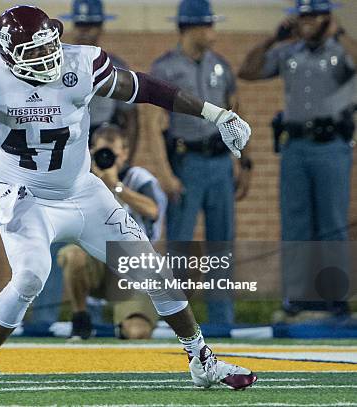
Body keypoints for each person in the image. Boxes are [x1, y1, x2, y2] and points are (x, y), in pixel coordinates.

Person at [0, 5, 255, 394]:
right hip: (27, 197)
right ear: (8, 55)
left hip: (83, 191)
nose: (47, 57)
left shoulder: (81, 62)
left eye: (49, 45)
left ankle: (201, 360)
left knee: (153, 270)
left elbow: (146, 88)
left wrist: (216, 113)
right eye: (34, 52)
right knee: (30, 275)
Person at [26, 0, 140, 334]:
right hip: (57, 158)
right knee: (46, 242)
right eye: (84, 25)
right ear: (74, 26)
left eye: (94, 25)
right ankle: (44, 321)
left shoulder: (110, 64)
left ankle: (107, 317)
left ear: (102, 26)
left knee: (105, 237)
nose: (88, 30)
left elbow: (131, 115)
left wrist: (123, 160)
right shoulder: (47, 61)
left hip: (97, 152)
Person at [238, 0, 355, 321]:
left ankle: (335, 297)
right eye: (301, 15)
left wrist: (340, 33)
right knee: (295, 223)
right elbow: (247, 71)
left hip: (331, 144)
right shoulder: (289, 52)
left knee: (332, 225)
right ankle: (298, 295)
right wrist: (272, 39)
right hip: (295, 147)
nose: (304, 21)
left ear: (326, 18)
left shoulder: (340, 51)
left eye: (312, 16)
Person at [148, 0, 252, 325]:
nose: (213, 33)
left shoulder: (220, 65)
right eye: (207, 26)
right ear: (189, 28)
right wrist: (165, 173)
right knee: (179, 241)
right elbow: (153, 123)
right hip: (185, 161)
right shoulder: (164, 68)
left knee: (223, 242)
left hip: (220, 162)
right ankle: (178, 322)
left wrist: (244, 162)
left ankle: (223, 319)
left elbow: (236, 113)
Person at [61, 124, 165, 340]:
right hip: (97, 262)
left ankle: (124, 325)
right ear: (91, 152)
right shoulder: (83, 179)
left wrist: (116, 186)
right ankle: (81, 319)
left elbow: (153, 210)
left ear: (125, 154)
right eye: (101, 153)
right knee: (73, 255)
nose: (107, 159)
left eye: (113, 154)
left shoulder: (138, 178)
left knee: (138, 332)